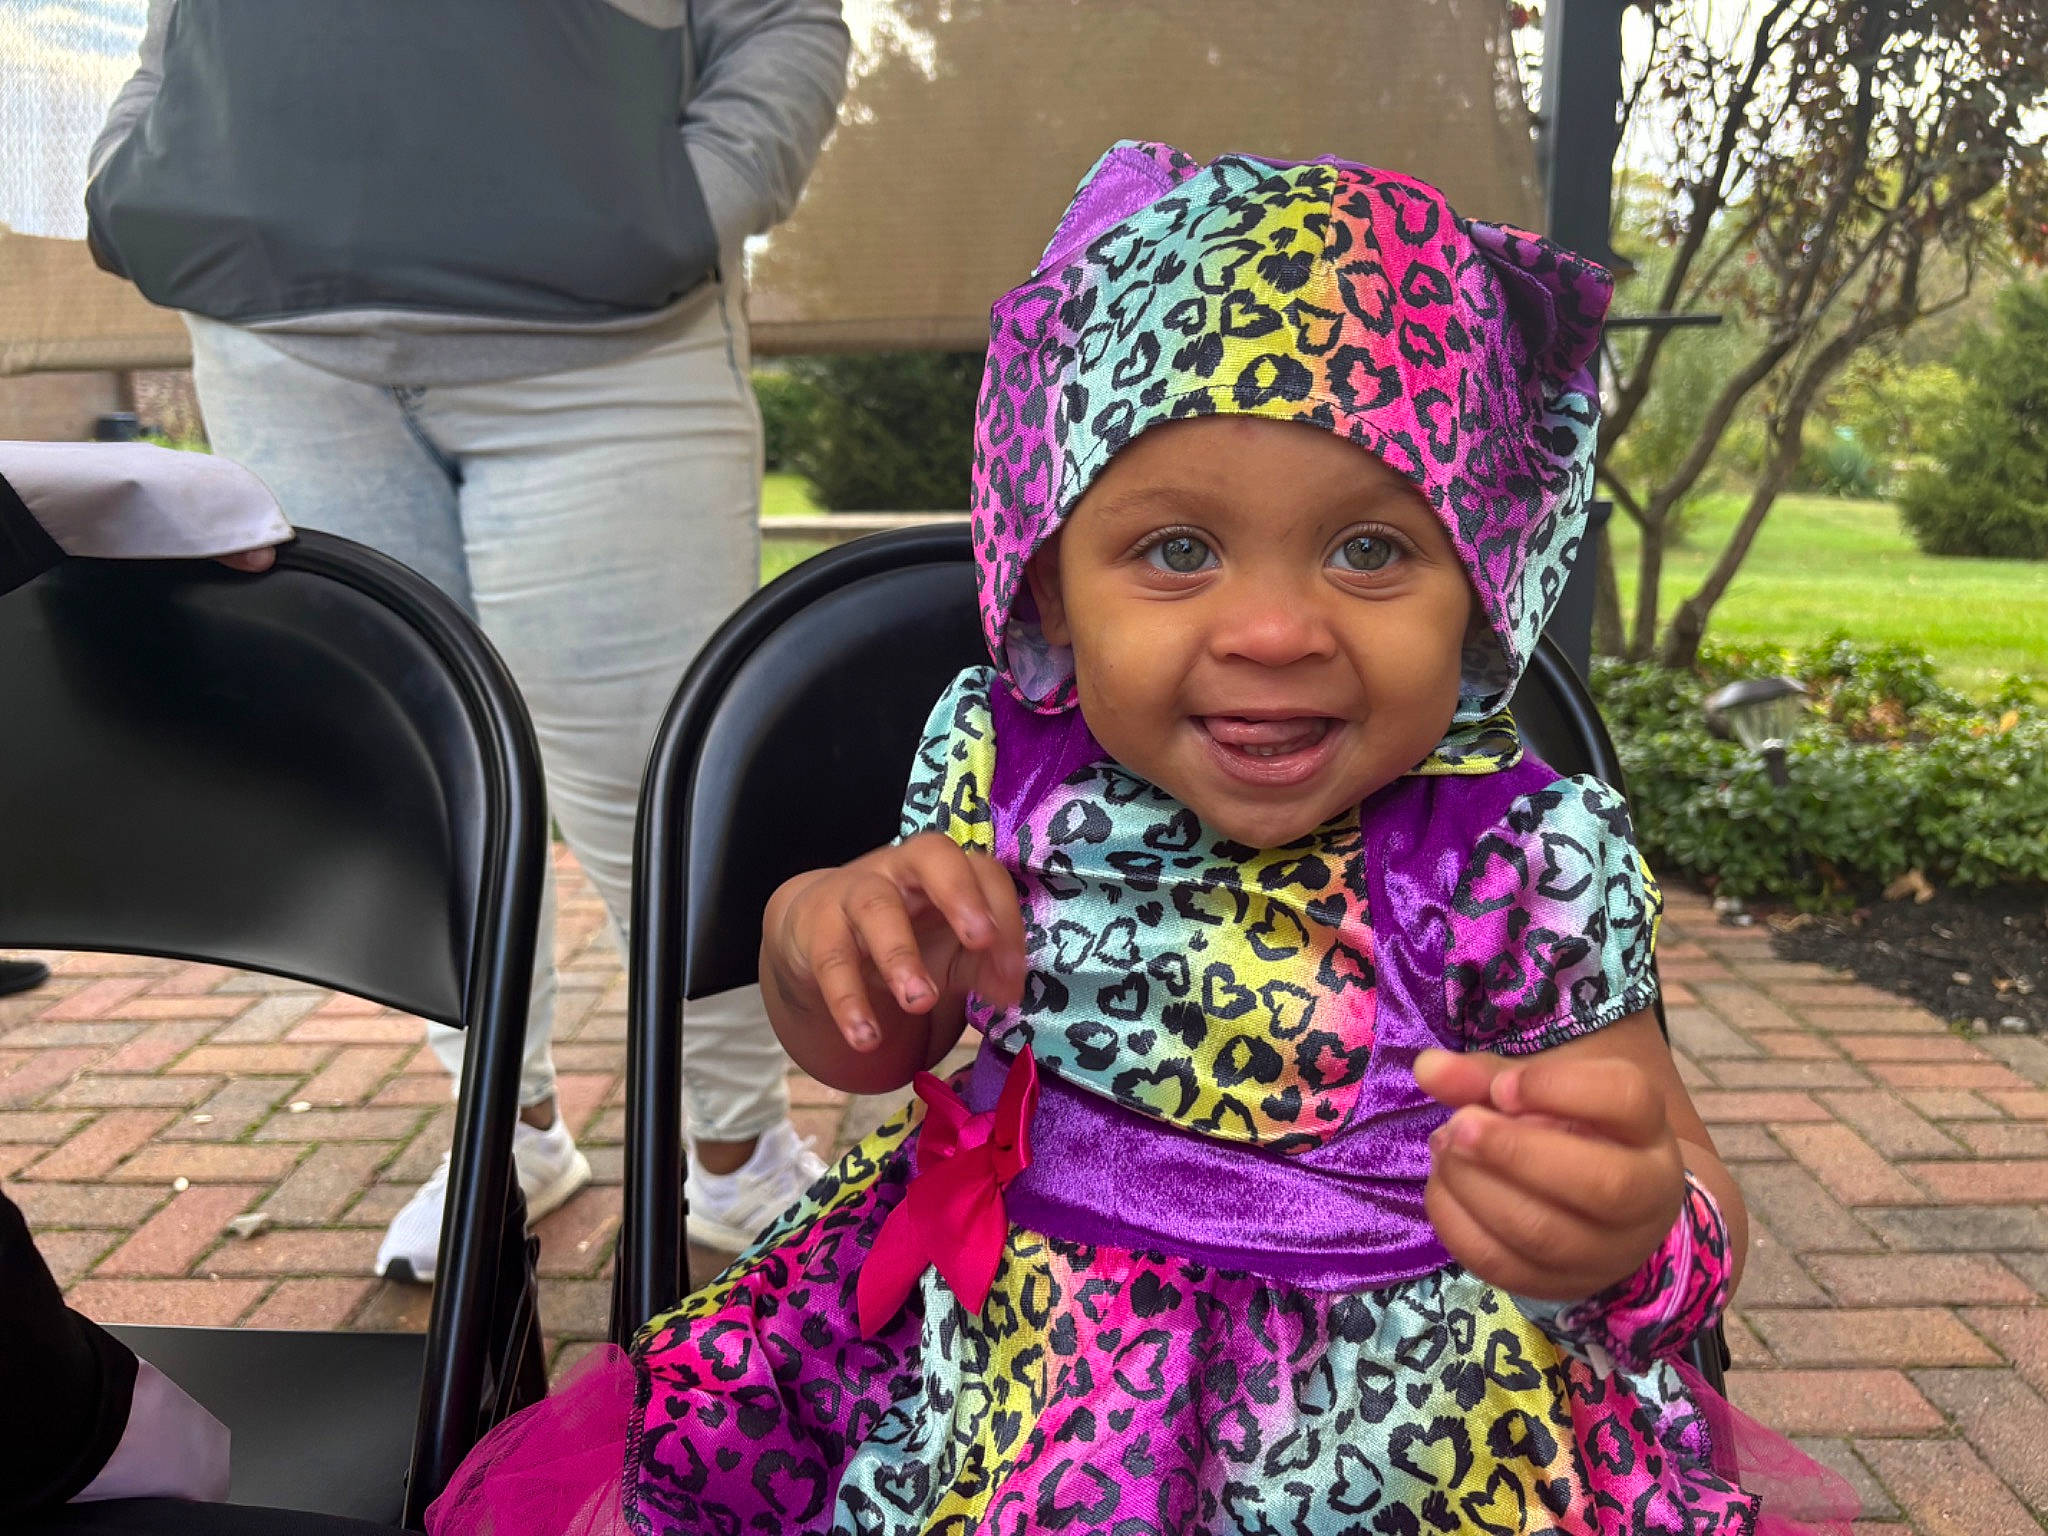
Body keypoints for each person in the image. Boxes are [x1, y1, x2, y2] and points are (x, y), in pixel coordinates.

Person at [437, 141, 1860, 1535]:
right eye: (1177, 550)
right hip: (1011, 1405)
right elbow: (877, 1048)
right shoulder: (999, 763)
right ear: (1051, 587)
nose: (1273, 631)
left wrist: (1629, 1226)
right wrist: (819, 936)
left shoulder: (1511, 853)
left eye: (1371, 549)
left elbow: (1679, 1169)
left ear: (1479, 586)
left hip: (1407, 1443)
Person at [86, 0, 853, 1282]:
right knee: (425, 791)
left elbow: (779, 19)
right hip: (280, 344)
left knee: (667, 794)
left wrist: (671, 210)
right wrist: (143, 178)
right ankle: (507, 1128)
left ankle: (735, 1155)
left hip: (607, 350)